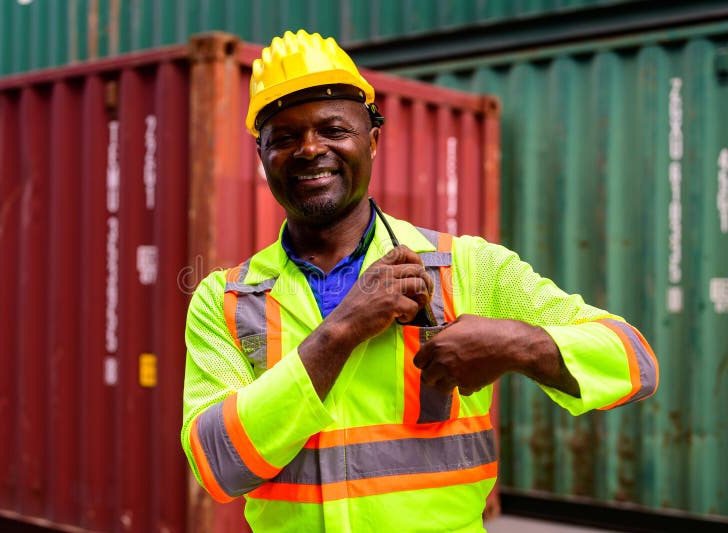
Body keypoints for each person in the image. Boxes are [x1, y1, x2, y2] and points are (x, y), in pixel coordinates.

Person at [181, 29, 658, 532]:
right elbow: (217, 466)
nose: (309, 149)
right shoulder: (228, 299)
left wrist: (516, 344)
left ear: (373, 139)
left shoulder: (467, 268)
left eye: (333, 130)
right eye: (284, 138)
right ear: (262, 157)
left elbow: (635, 361)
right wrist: (342, 329)